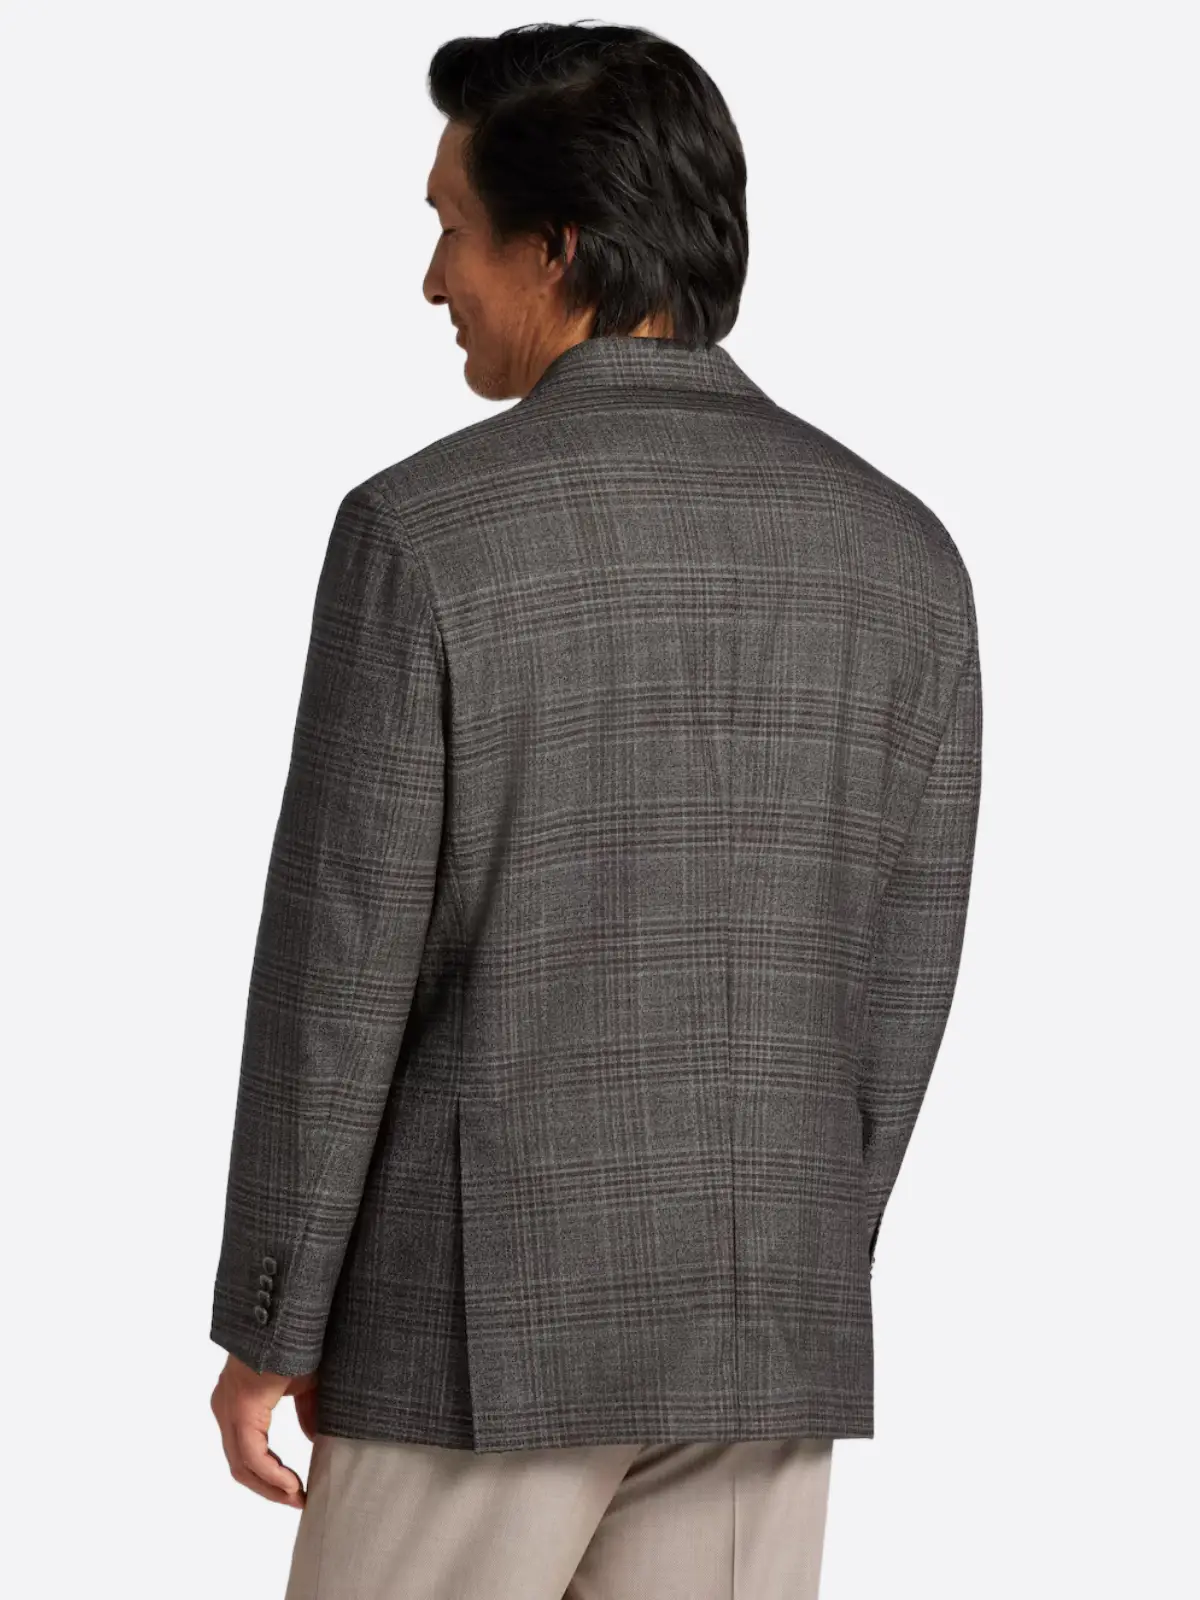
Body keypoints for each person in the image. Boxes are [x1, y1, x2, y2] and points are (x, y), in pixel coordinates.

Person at [208, 21, 983, 1599]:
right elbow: (897, 990)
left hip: (469, 1333)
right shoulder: (905, 555)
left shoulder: (421, 533)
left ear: (557, 247)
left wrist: (273, 1319)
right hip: (761, 1332)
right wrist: (791, 1252)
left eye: (451, 228)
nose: (433, 280)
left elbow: (341, 968)